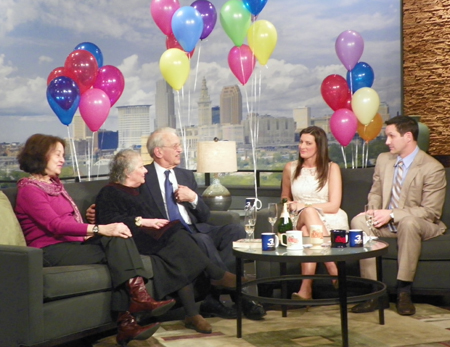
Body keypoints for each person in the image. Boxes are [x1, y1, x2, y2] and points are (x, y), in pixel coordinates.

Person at [14, 134, 177, 347]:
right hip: (50, 250)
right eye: (58, 154)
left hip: (74, 242)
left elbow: (71, 219)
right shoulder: (29, 189)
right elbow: (56, 225)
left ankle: (133, 311)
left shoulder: (54, 184)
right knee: (117, 249)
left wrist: (94, 224)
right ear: (40, 155)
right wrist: (99, 228)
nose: (63, 159)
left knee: (120, 236)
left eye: (64, 155)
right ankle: (135, 306)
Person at [87, 127, 265, 320]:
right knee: (201, 240)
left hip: (194, 227)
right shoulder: (144, 177)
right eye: (175, 146)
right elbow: (121, 199)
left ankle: (218, 290)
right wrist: (94, 214)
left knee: (234, 229)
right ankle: (238, 298)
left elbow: (204, 215)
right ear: (159, 152)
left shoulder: (186, 175)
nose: (180, 149)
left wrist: (193, 198)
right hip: (168, 233)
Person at [95, 149, 240, 334]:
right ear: (127, 171)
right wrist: (142, 222)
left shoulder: (136, 191)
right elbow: (108, 221)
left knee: (178, 249)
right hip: (130, 240)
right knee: (177, 237)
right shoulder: (110, 191)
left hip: (149, 237)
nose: (145, 170)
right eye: (141, 167)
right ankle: (216, 275)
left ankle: (192, 313)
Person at [350, 115, 446, 316]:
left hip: (421, 224)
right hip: (385, 222)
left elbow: (430, 212)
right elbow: (376, 191)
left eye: (391, 136)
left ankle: (404, 292)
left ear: (408, 136)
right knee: (358, 220)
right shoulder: (384, 160)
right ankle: (374, 293)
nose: (387, 142)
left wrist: (392, 214)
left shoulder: (432, 168)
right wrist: (373, 210)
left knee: (408, 223)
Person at [280, 126, 349, 300]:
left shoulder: (331, 168)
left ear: (319, 146)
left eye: (308, 143)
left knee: (306, 231)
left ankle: (305, 289)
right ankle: (333, 268)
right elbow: (284, 198)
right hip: (298, 217)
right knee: (307, 215)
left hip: (330, 218)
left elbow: (334, 205)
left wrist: (305, 204)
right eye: (301, 142)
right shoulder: (290, 168)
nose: (302, 146)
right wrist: (289, 205)